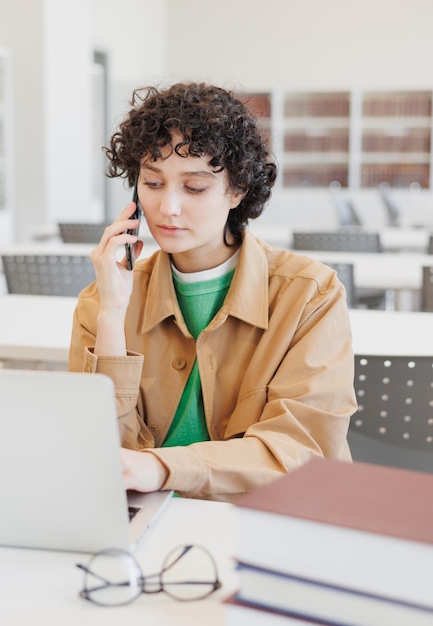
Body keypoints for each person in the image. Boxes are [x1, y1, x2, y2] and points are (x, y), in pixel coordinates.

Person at [69, 82, 357, 502]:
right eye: (152, 183)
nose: (167, 207)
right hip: (151, 525)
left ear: (236, 191)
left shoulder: (310, 295)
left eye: (195, 187)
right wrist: (112, 316)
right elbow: (98, 454)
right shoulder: (103, 300)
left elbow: (302, 451)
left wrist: (163, 467)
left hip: (273, 525)